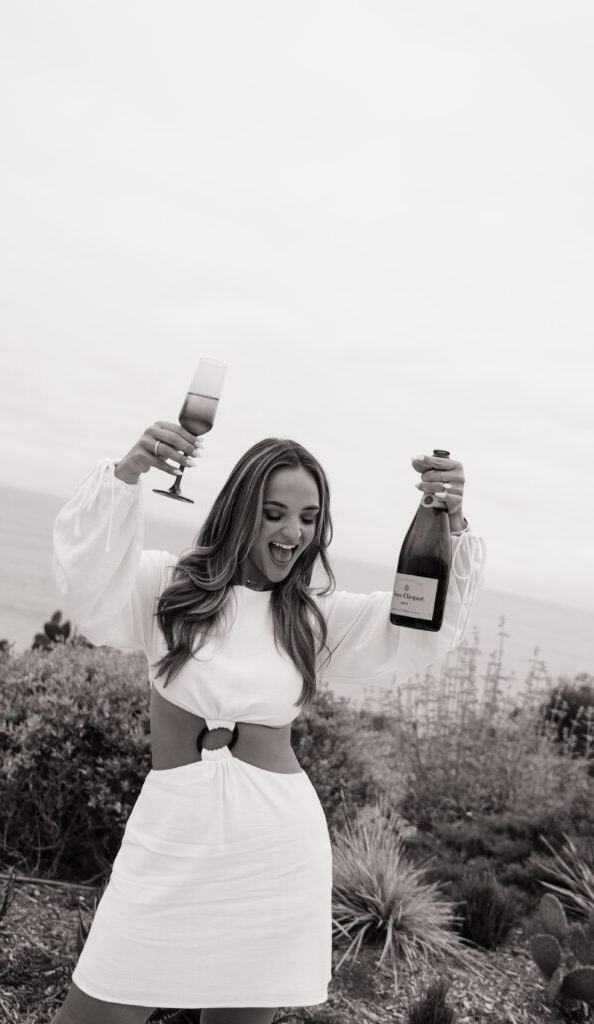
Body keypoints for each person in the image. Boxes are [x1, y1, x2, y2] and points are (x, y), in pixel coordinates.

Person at [50, 421, 486, 1024]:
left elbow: (417, 633)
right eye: (275, 513)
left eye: (308, 518)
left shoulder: (313, 617)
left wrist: (451, 522)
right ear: (238, 510)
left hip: (276, 851)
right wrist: (129, 474)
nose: (292, 533)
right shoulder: (167, 587)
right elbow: (89, 593)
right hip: (172, 837)